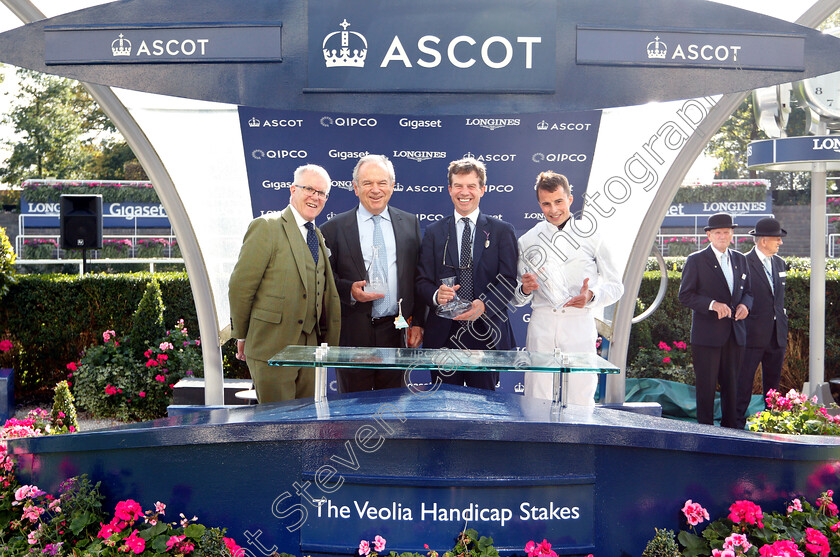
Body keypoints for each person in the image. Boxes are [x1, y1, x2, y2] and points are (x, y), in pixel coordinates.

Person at [228, 164, 341, 403]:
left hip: (310, 349)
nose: (315, 197)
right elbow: (241, 287)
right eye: (309, 189)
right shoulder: (266, 227)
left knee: (304, 425)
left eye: (322, 193)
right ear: (292, 190)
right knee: (277, 428)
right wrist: (243, 335)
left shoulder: (317, 235)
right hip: (271, 346)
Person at [514, 171, 624, 405]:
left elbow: (616, 286)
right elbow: (516, 298)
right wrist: (524, 289)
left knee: (581, 395)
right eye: (546, 203)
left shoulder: (593, 236)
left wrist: (591, 297)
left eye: (558, 202)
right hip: (541, 325)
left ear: (570, 200)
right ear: (539, 204)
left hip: (579, 324)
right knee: (536, 395)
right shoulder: (527, 240)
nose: (553, 210)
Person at [321, 154, 425, 393]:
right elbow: (324, 280)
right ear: (356, 188)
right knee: (352, 410)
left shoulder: (410, 224)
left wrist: (418, 322)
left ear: (393, 186)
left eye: (382, 182)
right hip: (352, 333)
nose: (375, 189)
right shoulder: (333, 229)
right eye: (367, 183)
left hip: (396, 333)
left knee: (391, 409)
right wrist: (349, 290)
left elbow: (417, 277)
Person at [416, 157, 518, 390]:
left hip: (486, 335)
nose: (465, 192)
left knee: (483, 413)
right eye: (458, 186)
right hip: (444, 336)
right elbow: (422, 280)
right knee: (443, 410)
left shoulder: (502, 231)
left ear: (482, 189)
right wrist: (435, 295)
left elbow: (508, 280)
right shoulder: (434, 232)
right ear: (450, 189)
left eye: (471, 186)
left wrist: (485, 306)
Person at [678, 212, 753, 428]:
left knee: (733, 387)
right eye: (718, 232)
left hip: (735, 333)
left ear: (732, 235)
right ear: (709, 236)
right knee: (706, 387)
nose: (722, 236)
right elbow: (685, 295)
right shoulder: (696, 260)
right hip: (707, 336)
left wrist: (745, 305)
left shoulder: (740, 259)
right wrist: (712, 304)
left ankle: (731, 432)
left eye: (726, 232)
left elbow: (748, 292)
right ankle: (705, 432)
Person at [736, 217, 788, 428]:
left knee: (773, 384)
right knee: (744, 380)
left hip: (777, 334)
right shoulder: (743, 262)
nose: (780, 243)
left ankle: (771, 421)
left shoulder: (780, 263)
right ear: (763, 240)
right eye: (777, 239)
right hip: (751, 333)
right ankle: (736, 423)